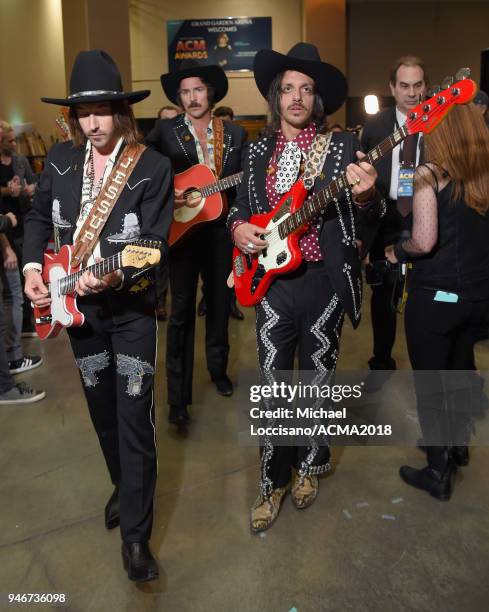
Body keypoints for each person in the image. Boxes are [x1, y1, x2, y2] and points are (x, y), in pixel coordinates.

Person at [23, 50, 173, 582]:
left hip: (130, 311)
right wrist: (29, 269)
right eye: (82, 112)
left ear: (120, 112)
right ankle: (123, 487)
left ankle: (137, 537)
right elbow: (40, 217)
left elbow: (151, 246)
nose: (92, 122)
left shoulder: (152, 166)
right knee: (103, 414)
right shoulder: (60, 161)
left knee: (135, 420)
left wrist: (108, 275)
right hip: (78, 314)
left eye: (102, 110)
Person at [228, 43, 384, 532]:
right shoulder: (254, 150)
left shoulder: (341, 148)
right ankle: (271, 480)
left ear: (317, 100)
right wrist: (236, 229)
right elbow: (235, 206)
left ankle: (310, 468)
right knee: (275, 386)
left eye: (307, 90)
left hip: (323, 283)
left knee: (316, 384)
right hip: (271, 283)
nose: (297, 98)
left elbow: (372, 217)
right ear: (276, 97)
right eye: (289, 88)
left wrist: (368, 195)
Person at [385, 102, 489, 500]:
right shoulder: (483, 174)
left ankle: (437, 470)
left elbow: (423, 240)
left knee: (431, 382)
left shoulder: (429, 173)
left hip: (437, 298)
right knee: (461, 371)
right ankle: (457, 446)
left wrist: (397, 252)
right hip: (478, 298)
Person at [146, 60, 247, 426]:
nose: (192, 98)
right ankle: (177, 397)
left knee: (220, 306)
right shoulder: (164, 131)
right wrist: (165, 196)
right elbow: (143, 169)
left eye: (198, 90)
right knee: (181, 314)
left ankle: (218, 371)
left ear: (211, 93)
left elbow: (244, 187)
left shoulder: (234, 134)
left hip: (222, 233)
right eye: (185, 92)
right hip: (183, 234)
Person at [360, 56, 427, 390]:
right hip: (384, 219)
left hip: (427, 219)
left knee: (424, 297)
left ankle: (428, 368)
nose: (412, 93)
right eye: (404, 85)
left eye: (418, 85)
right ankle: (381, 359)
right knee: (383, 297)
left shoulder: (438, 121)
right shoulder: (374, 127)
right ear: (392, 88)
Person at [0, 123, 43, 374]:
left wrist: (28, 189)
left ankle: (26, 328)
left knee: (22, 280)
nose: (14, 144)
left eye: (14, 140)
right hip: (6, 231)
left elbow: (34, 181)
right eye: (9, 140)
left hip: (22, 222)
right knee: (12, 291)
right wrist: (8, 190)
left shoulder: (19, 160)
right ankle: (13, 357)